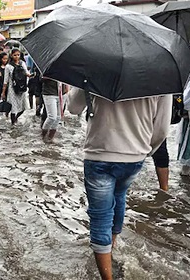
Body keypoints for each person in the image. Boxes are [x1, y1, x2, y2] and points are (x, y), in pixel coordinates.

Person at [67, 87, 172, 280]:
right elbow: (162, 128)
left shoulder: (96, 63)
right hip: (134, 156)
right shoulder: (161, 72)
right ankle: (111, 245)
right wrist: (145, 151)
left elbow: (73, 107)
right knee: (119, 195)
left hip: (100, 152)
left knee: (100, 218)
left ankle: (106, 270)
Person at [2, 48, 30, 125]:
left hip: (22, 88)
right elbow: (5, 80)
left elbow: (27, 73)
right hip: (12, 89)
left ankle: (16, 118)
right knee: (13, 108)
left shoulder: (22, 63)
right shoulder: (8, 66)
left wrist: (30, 75)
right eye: (15, 55)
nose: (17, 57)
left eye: (18, 55)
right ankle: (13, 124)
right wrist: (3, 92)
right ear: (11, 55)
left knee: (24, 107)